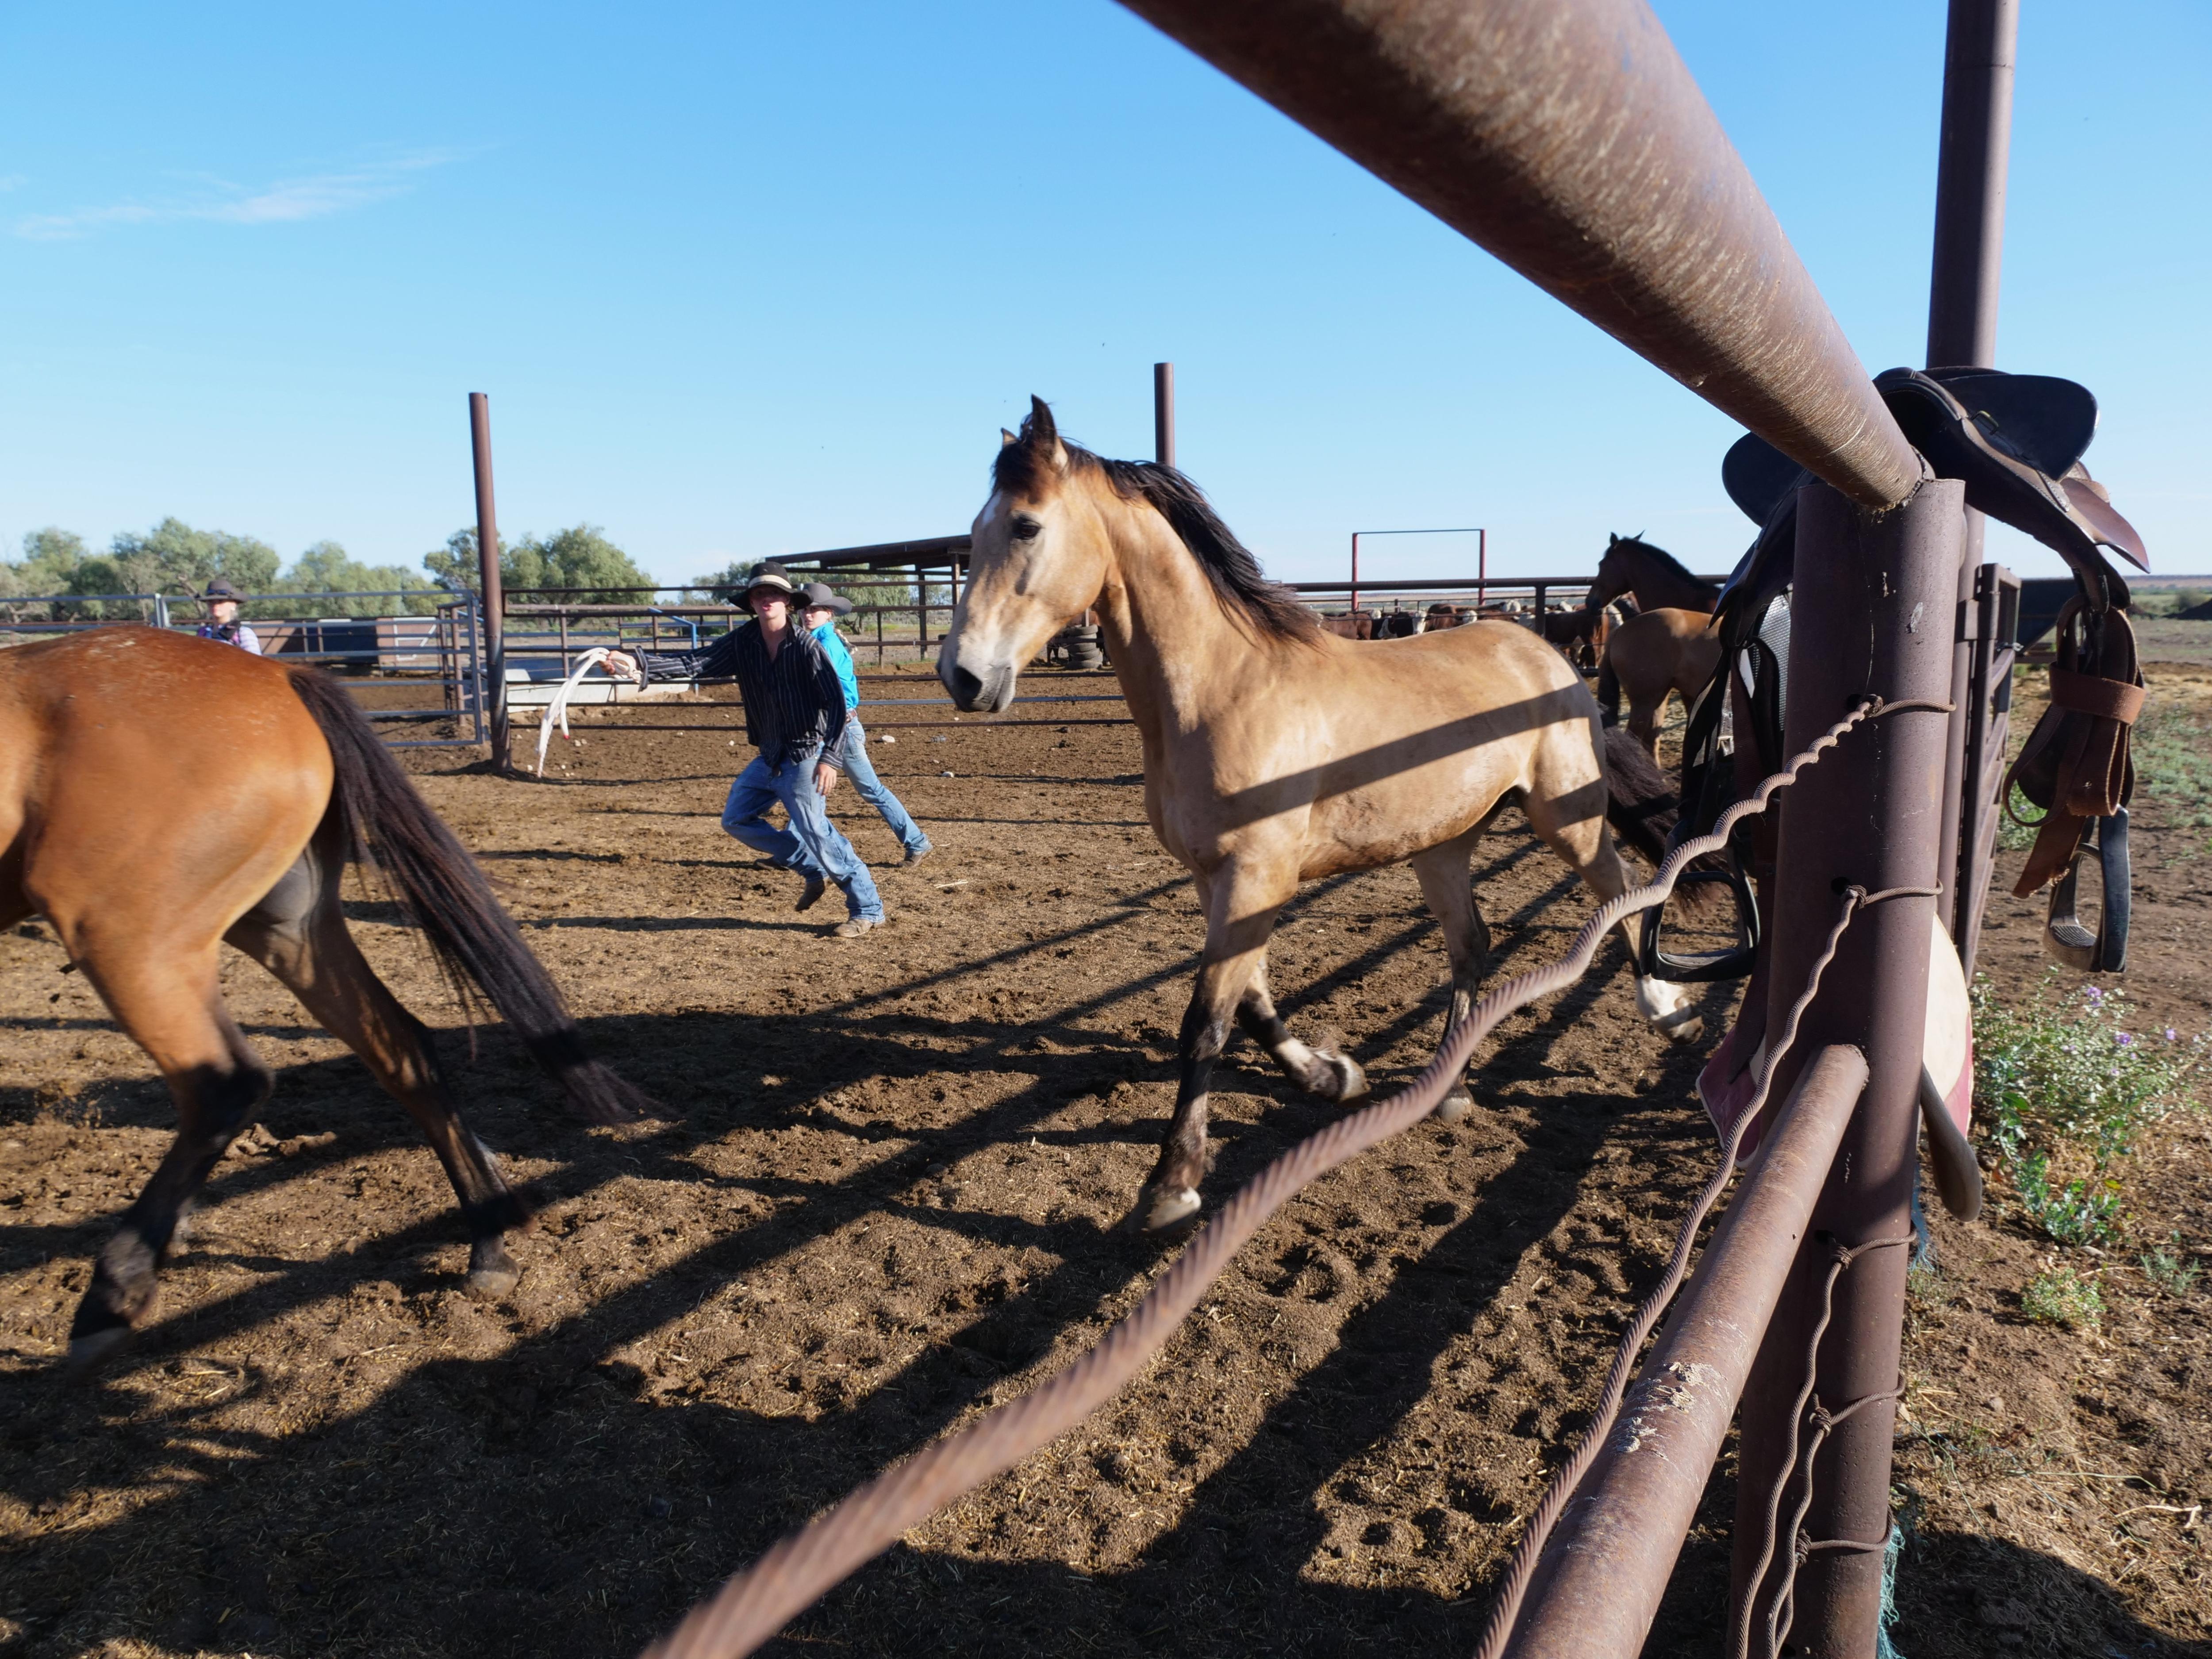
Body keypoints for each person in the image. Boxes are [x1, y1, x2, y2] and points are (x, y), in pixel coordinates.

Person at [604, 562, 885, 938]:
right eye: (759, 594)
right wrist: (638, 662)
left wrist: (830, 759)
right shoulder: (744, 642)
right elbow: (696, 662)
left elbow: (837, 705)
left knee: (815, 828)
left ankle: (867, 908)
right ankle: (808, 866)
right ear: (752, 603)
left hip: (805, 753)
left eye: (774, 593)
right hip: (770, 752)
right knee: (736, 819)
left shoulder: (806, 648)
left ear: (787, 601)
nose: (767, 599)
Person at [797, 580, 933, 866]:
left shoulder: (825, 645)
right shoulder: (817, 641)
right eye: (804, 609)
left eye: (815, 609)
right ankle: (795, 852)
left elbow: (821, 690)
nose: (808, 614)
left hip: (838, 728)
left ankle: (917, 841)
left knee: (868, 789)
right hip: (831, 726)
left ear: (829, 613)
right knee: (810, 789)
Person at [195, 580, 263, 654]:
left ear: (233, 605)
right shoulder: (203, 633)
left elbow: (255, 663)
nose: (215, 605)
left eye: (221, 601)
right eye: (211, 602)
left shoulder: (243, 633)